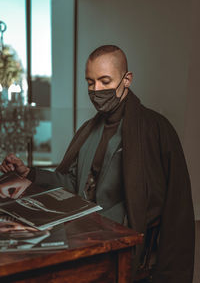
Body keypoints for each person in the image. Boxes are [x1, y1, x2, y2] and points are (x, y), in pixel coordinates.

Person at [0, 45, 195, 282]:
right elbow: (73, 182)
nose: (96, 90)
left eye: (104, 81)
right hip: (82, 236)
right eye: (90, 83)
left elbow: (172, 208)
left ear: (127, 79)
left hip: (117, 245)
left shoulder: (155, 130)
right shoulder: (88, 131)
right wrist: (29, 172)